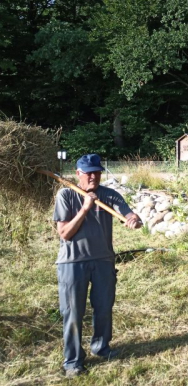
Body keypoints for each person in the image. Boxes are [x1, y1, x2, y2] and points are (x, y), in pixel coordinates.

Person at [53, 154, 141, 377]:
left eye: (97, 172)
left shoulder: (109, 195)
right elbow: (64, 233)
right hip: (73, 263)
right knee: (73, 312)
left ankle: (101, 348)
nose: (93, 176)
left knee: (103, 307)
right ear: (78, 174)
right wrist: (85, 207)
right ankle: (72, 361)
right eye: (88, 172)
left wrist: (133, 218)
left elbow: (125, 211)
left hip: (103, 261)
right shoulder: (66, 195)